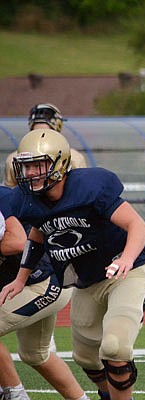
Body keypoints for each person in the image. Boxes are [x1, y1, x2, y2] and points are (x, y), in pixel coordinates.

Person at [0, 128, 145, 400]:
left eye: (39, 165)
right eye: (27, 167)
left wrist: (127, 259)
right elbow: (38, 233)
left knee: (115, 346)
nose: (32, 173)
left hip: (126, 272)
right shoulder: (29, 200)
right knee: (85, 357)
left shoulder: (89, 186)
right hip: (87, 280)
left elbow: (137, 224)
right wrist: (21, 278)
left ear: (59, 163)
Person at [3, 103, 88, 356]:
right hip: (58, 229)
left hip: (33, 230)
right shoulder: (74, 155)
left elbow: (12, 203)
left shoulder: (14, 157)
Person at [0, 187, 90, 400]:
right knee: (35, 354)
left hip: (43, 281)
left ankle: (15, 396)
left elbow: (18, 242)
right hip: (26, 284)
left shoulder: (3, 199)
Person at [3, 103, 88, 187]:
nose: (41, 137)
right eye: (28, 166)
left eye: (45, 133)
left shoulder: (74, 158)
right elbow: (10, 193)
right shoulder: (14, 159)